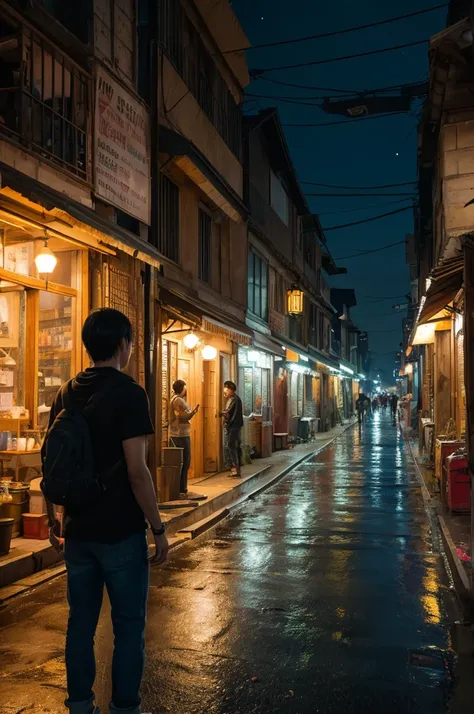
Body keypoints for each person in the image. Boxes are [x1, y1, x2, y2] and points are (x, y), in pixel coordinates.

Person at [44, 308, 168, 714]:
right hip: (119, 531)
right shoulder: (131, 394)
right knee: (128, 626)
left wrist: (55, 519)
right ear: (122, 345)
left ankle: (80, 705)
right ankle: (125, 707)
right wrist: (158, 527)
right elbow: (137, 472)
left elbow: (54, 462)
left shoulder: (66, 391)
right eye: (130, 342)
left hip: (78, 529)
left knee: (80, 623)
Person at [169, 379, 199, 499]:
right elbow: (183, 416)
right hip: (181, 434)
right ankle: (182, 489)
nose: (186, 390)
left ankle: (181, 488)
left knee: (182, 462)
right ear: (181, 388)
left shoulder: (174, 399)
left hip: (178, 433)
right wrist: (193, 412)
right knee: (184, 461)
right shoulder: (178, 401)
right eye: (185, 388)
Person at [218, 380, 243, 477]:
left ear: (231, 390)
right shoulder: (234, 399)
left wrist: (220, 413)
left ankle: (235, 469)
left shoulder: (233, 399)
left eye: (226, 390)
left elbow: (228, 413)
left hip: (233, 426)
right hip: (234, 426)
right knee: (232, 446)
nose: (225, 392)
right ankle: (235, 468)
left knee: (230, 446)